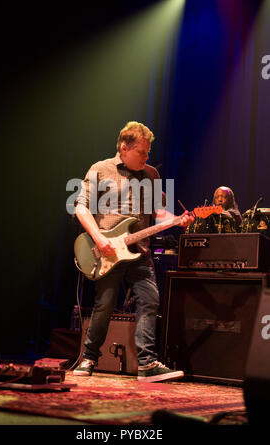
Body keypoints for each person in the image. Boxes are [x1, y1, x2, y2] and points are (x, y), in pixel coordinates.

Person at [73, 121, 193, 382]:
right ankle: (89, 358)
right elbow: (81, 207)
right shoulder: (100, 169)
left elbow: (157, 212)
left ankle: (147, 364)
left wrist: (177, 219)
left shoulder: (150, 174)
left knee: (149, 300)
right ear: (124, 148)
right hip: (107, 251)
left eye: (149, 152)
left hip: (139, 252)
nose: (147, 157)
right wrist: (98, 239)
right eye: (142, 152)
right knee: (103, 305)